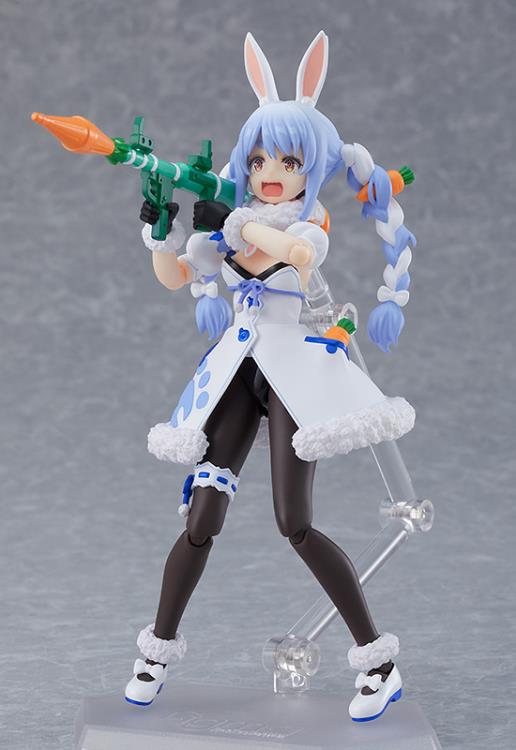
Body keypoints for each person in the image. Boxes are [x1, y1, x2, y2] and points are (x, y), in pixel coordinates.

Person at [125, 31, 415, 722]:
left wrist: (236, 224)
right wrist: (161, 231)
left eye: (287, 160)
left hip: (294, 372)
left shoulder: (306, 226)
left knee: (295, 522)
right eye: (258, 160)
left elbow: (290, 254)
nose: (270, 172)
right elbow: (177, 276)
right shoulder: (234, 224)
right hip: (237, 371)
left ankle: (378, 664)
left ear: (311, 165)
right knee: (202, 518)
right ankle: (155, 652)